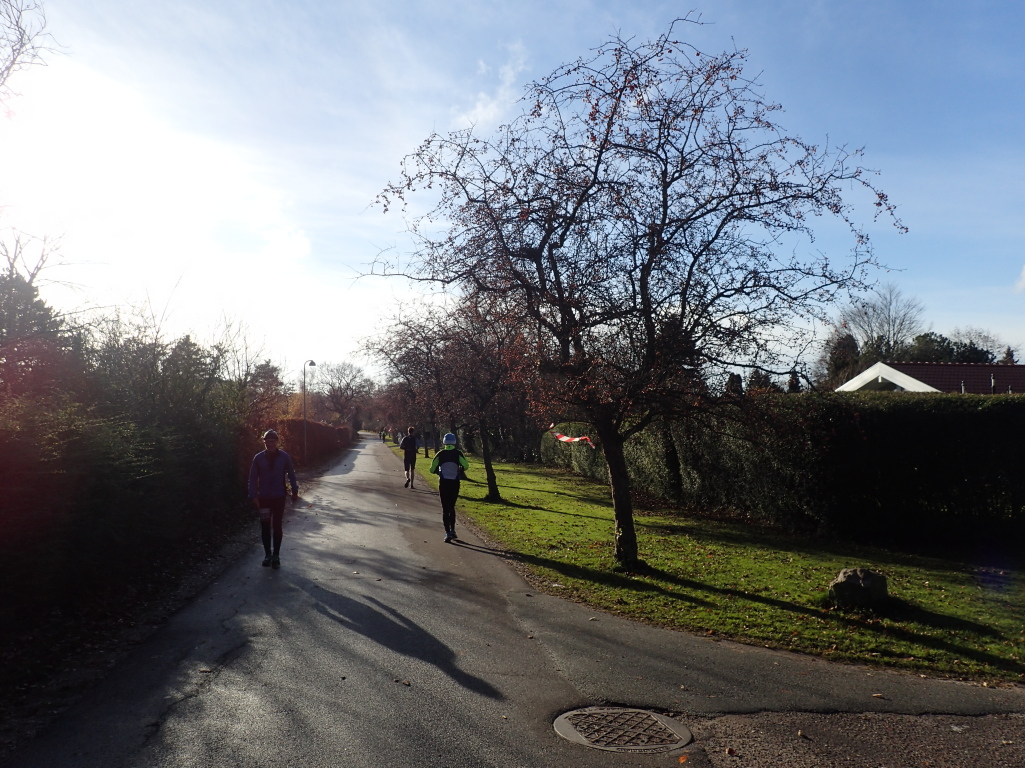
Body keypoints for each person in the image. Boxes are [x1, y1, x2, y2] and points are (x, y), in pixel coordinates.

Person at [248, 429, 298, 569]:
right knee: (265, 527)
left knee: (277, 526)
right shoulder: (258, 458)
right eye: (267, 442)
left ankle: (276, 555)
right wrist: (253, 496)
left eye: (272, 441)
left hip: (279, 497)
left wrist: (295, 490)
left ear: (277, 441)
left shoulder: (284, 457)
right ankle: (267, 555)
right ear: (264, 442)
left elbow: (292, 474)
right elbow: (252, 478)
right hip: (263, 498)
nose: (269, 444)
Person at [429, 432, 469, 542]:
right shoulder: (458, 453)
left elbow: (431, 469)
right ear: (455, 442)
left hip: (443, 482)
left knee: (445, 508)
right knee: (452, 506)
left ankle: (447, 532)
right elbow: (466, 466)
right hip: (455, 483)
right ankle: (453, 530)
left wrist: (439, 470)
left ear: (444, 442)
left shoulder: (440, 454)